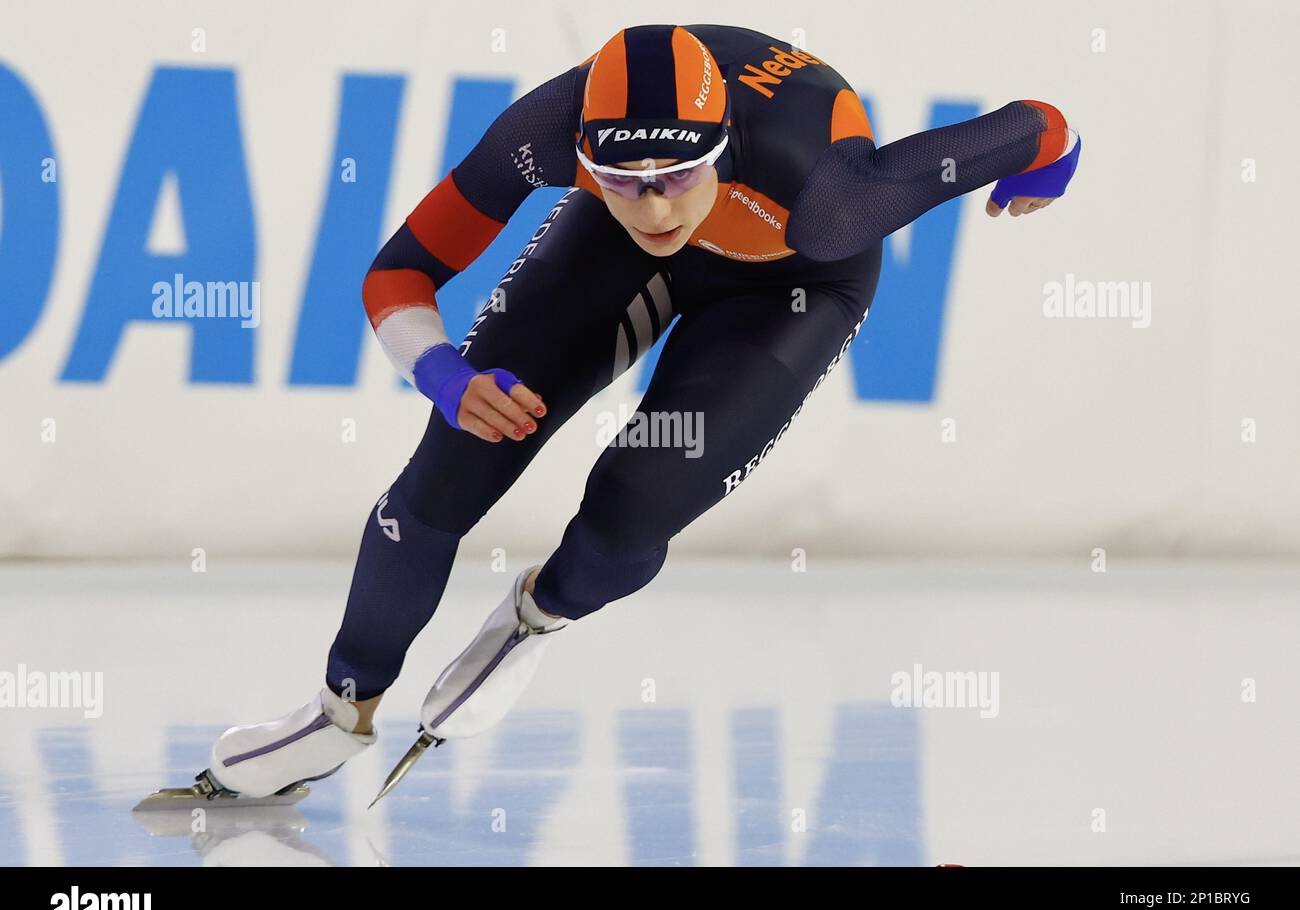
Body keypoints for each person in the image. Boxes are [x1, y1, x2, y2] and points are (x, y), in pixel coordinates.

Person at [202, 23, 1081, 800]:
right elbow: (398, 274)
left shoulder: (836, 194)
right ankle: (337, 712)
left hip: (795, 281)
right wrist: (441, 377)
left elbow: (1040, 124)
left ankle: (534, 616)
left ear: (724, 143)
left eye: (678, 175)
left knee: (634, 508)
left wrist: (1054, 165)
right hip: (604, 253)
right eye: (623, 177)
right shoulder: (541, 131)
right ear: (583, 153)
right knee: (445, 471)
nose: (657, 205)